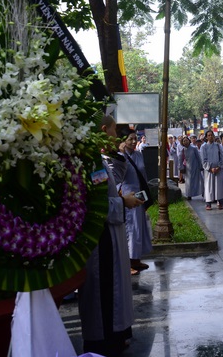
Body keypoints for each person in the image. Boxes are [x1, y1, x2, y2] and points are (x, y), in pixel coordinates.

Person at [78, 115, 139, 356]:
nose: (116, 135)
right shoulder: (92, 162)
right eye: (114, 130)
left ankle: (117, 335)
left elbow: (114, 179)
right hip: (102, 239)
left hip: (111, 235)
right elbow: (97, 203)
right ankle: (104, 342)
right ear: (104, 130)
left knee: (115, 288)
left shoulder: (100, 159)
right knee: (104, 289)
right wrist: (125, 202)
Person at [118, 131, 153, 274]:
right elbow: (118, 177)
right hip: (128, 196)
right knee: (130, 229)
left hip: (139, 194)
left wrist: (145, 197)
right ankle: (127, 263)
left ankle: (136, 259)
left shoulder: (139, 155)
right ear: (123, 140)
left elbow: (143, 175)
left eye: (135, 139)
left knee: (139, 228)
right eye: (130, 139)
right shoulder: (120, 157)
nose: (133, 142)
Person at [200, 130, 223, 210]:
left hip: (218, 169)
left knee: (219, 186)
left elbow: (222, 157)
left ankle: (220, 202)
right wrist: (210, 168)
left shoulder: (218, 146)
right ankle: (208, 203)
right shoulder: (203, 147)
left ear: (214, 136)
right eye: (209, 135)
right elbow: (203, 159)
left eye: (212, 135)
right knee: (209, 186)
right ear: (206, 137)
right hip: (209, 170)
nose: (210, 137)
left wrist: (219, 167)